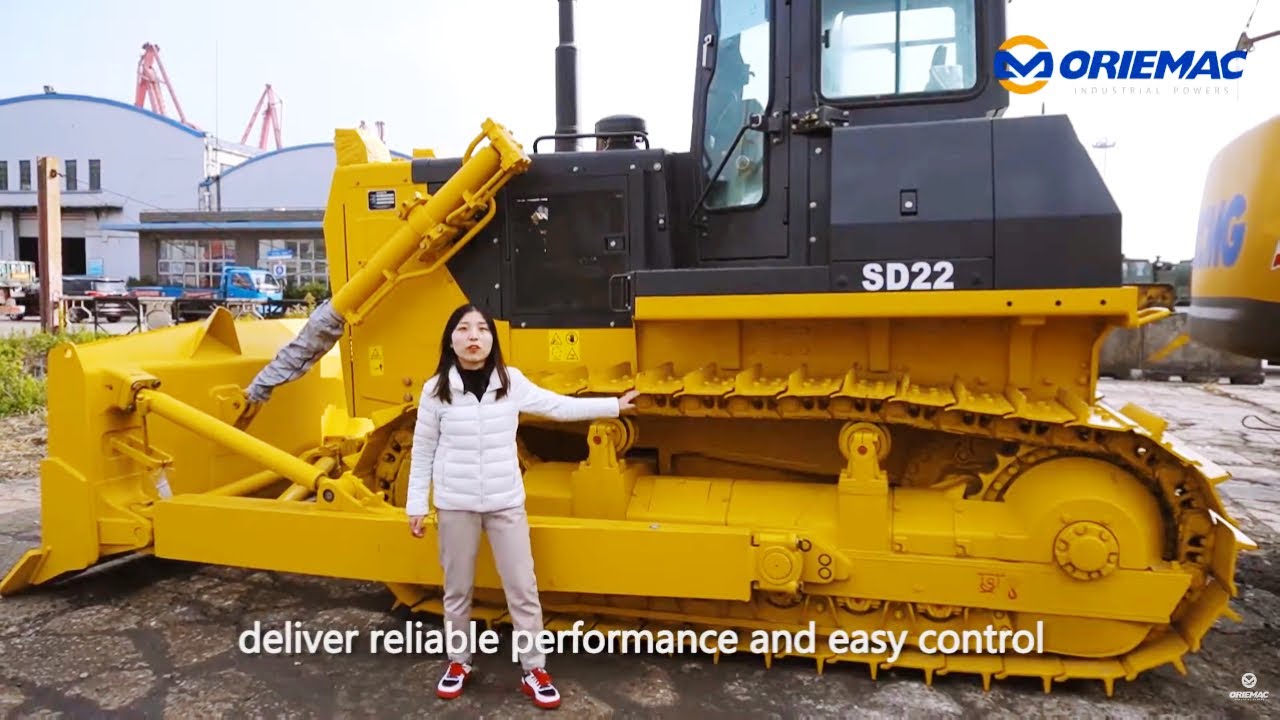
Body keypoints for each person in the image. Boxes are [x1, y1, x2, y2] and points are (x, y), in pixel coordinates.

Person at [405, 303, 638, 709]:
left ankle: (534, 669)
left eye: (482, 329)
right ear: (450, 340)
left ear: (492, 340)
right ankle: (458, 662)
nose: (473, 336)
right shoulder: (435, 390)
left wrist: (613, 406)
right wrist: (415, 505)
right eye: (464, 328)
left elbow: (559, 406)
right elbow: (423, 449)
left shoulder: (511, 382)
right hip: (456, 504)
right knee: (457, 590)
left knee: (523, 588)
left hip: (505, 503)